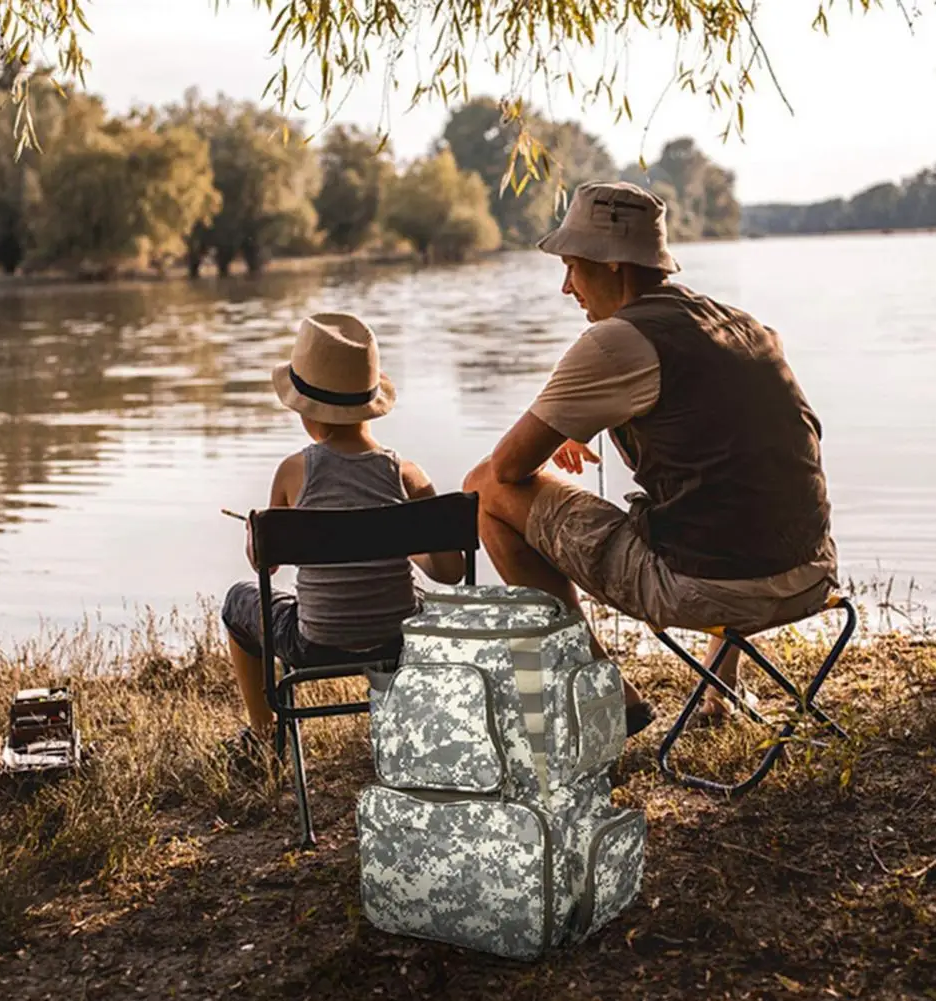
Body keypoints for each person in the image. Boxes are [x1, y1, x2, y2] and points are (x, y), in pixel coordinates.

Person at [464, 181, 837, 734]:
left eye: (572, 266)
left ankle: (604, 694)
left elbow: (508, 468)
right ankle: (721, 683)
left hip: (709, 586)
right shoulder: (744, 326)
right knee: (728, 493)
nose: (567, 288)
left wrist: (560, 423)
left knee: (485, 491)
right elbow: (737, 455)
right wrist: (576, 418)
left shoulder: (617, 341)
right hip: (810, 573)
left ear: (614, 266)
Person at [222, 312, 465, 756]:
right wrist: (400, 538)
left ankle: (263, 736)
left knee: (238, 600)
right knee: (417, 604)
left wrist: (256, 535)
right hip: (401, 637)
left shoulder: (293, 472)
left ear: (306, 413)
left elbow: (264, 563)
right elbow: (451, 571)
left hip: (315, 644)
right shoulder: (409, 474)